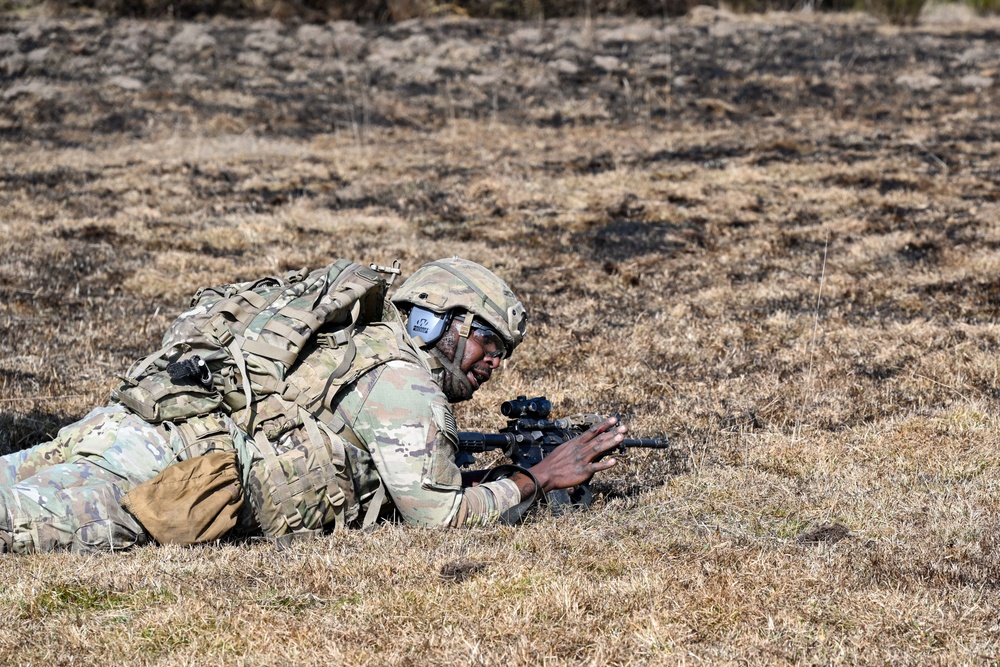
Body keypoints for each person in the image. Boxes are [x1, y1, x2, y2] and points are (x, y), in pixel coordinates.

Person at [0, 257, 627, 554]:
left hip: (130, 428)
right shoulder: (403, 384)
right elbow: (441, 521)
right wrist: (537, 477)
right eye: (489, 342)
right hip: (161, 472)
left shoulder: (360, 341)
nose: (495, 363)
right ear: (445, 324)